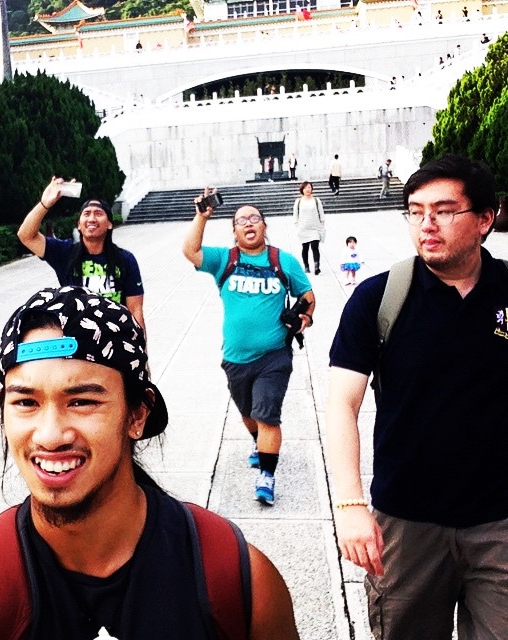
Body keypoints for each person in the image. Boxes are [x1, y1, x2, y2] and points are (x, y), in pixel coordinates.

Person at [0, 286, 300, 639]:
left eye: (82, 401)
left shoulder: (233, 578)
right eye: (26, 402)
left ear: (137, 414)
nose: (50, 435)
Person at [326, 155, 508, 639]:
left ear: (485, 219)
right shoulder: (379, 299)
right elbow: (342, 403)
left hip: (500, 523)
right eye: (415, 211)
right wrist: (350, 505)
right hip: (406, 524)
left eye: (444, 211)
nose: (427, 224)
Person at [183, 190, 315, 506]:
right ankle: (258, 442)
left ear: (264, 226)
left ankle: (267, 476)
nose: (248, 223)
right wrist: (201, 216)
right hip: (235, 358)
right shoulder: (224, 260)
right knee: (248, 414)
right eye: (241, 220)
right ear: (235, 231)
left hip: (274, 355)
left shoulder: (283, 261)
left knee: (267, 415)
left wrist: (305, 318)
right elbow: (191, 250)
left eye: (254, 218)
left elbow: (308, 296)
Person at [17, 177, 145, 331]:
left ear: (109, 224)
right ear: (79, 224)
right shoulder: (65, 253)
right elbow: (26, 236)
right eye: (86, 213)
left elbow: (135, 309)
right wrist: (44, 204)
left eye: (98, 213)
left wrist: (141, 344)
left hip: (115, 335)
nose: (92, 219)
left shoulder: (125, 259)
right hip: (77, 336)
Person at [293, 181, 326, 275]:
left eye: (309, 187)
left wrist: (322, 224)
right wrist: (297, 225)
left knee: (315, 247)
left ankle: (317, 266)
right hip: (303, 228)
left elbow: (321, 213)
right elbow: (295, 215)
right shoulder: (298, 201)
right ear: (302, 190)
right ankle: (306, 266)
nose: (308, 189)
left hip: (315, 227)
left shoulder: (316, 200)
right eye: (305, 188)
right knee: (305, 248)